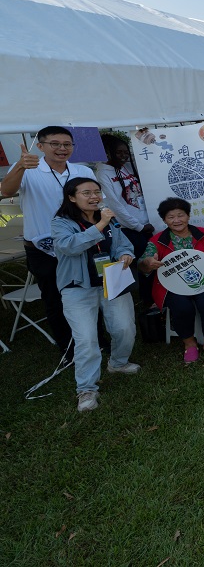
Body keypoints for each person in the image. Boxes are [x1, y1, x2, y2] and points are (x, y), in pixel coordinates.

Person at [0, 126, 95, 354]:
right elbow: (5, 190)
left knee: (89, 292)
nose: (62, 149)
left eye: (67, 144)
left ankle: (97, 340)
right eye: (55, 144)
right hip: (44, 248)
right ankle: (69, 350)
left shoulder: (83, 171)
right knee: (55, 299)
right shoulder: (28, 169)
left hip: (82, 243)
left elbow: (96, 203)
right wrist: (21, 166)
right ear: (40, 146)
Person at [52, 178, 139, 412]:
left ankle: (118, 363)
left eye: (97, 192)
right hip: (78, 288)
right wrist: (100, 224)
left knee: (124, 327)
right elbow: (69, 246)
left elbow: (123, 244)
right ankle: (87, 388)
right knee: (87, 338)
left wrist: (125, 256)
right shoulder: (61, 223)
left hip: (112, 281)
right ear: (71, 197)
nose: (94, 197)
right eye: (86, 193)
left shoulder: (109, 218)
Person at [139, 198, 204, 364]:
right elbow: (143, 264)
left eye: (180, 215)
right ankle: (190, 344)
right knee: (182, 307)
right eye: (171, 217)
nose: (177, 220)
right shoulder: (157, 241)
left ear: (188, 216)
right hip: (172, 286)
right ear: (164, 220)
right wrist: (148, 263)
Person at [95, 134, 153, 305]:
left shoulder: (127, 167)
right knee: (143, 263)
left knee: (153, 258)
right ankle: (148, 300)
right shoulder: (102, 174)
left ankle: (154, 294)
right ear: (108, 152)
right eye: (118, 152)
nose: (123, 156)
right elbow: (115, 206)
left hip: (147, 224)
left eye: (125, 152)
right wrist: (139, 226)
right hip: (131, 228)